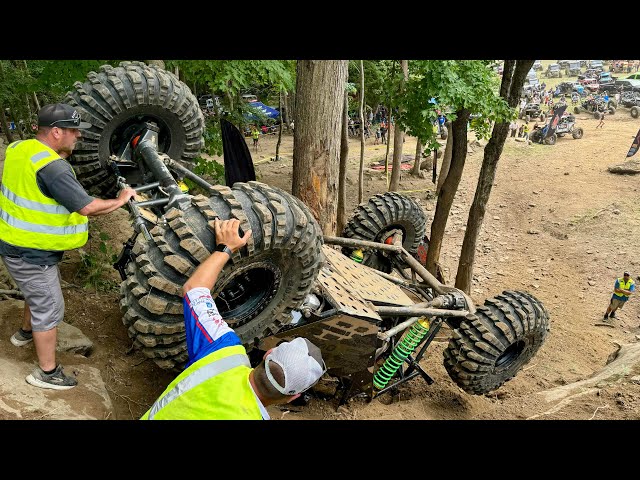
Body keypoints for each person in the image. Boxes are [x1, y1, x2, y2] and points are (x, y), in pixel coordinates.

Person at [0, 103, 136, 390]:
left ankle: (24, 333)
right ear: (57, 132)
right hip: (32, 252)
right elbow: (87, 207)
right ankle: (47, 373)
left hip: (16, 243)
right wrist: (121, 199)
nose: (78, 137)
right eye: (74, 131)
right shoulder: (53, 168)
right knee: (49, 306)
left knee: (35, 294)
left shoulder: (20, 150)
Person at [141, 219, 326, 419]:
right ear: (293, 397)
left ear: (268, 354)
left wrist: (226, 247)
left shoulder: (223, 352)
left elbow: (195, 290)